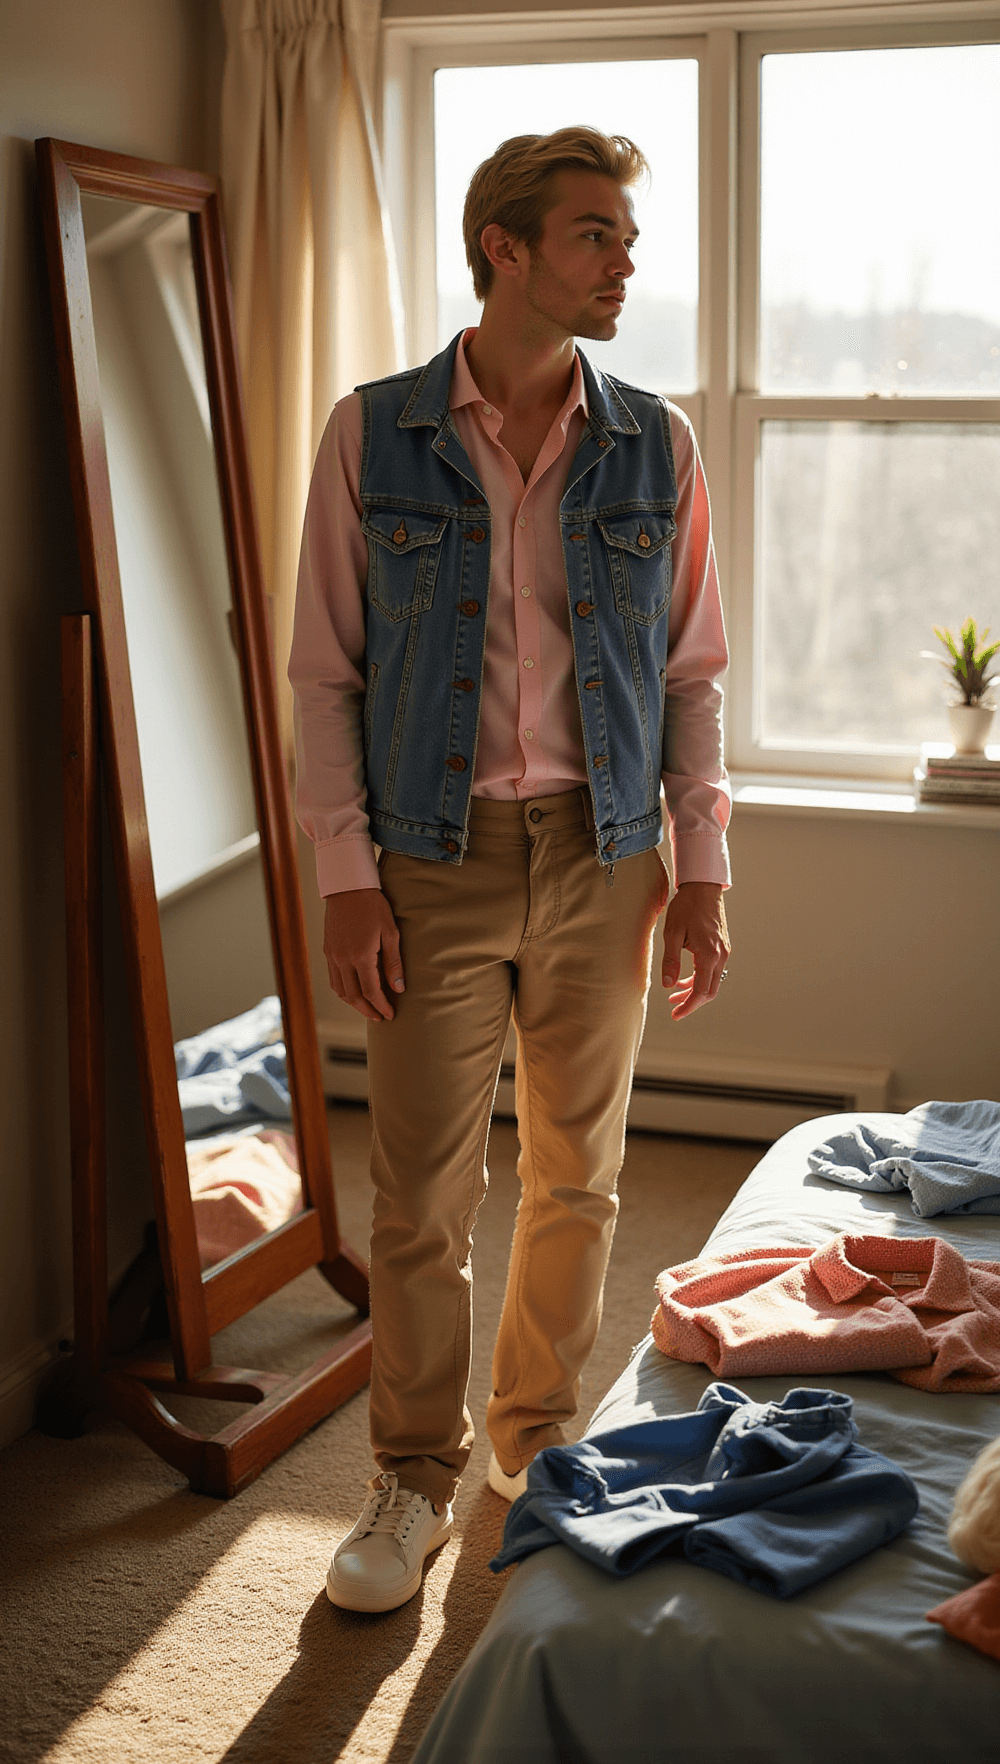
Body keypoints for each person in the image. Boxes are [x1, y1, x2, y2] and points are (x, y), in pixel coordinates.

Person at [288, 127, 732, 1614]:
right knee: (417, 1193)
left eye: (623, 234)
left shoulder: (656, 442)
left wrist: (706, 861)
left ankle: (531, 1444)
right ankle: (409, 1476)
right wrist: (349, 874)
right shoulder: (374, 434)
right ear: (507, 247)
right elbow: (323, 677)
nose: (625, 259)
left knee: (580, 1176)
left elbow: (691, 674)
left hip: (609, 857)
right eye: (597, 233)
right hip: (432, 861)